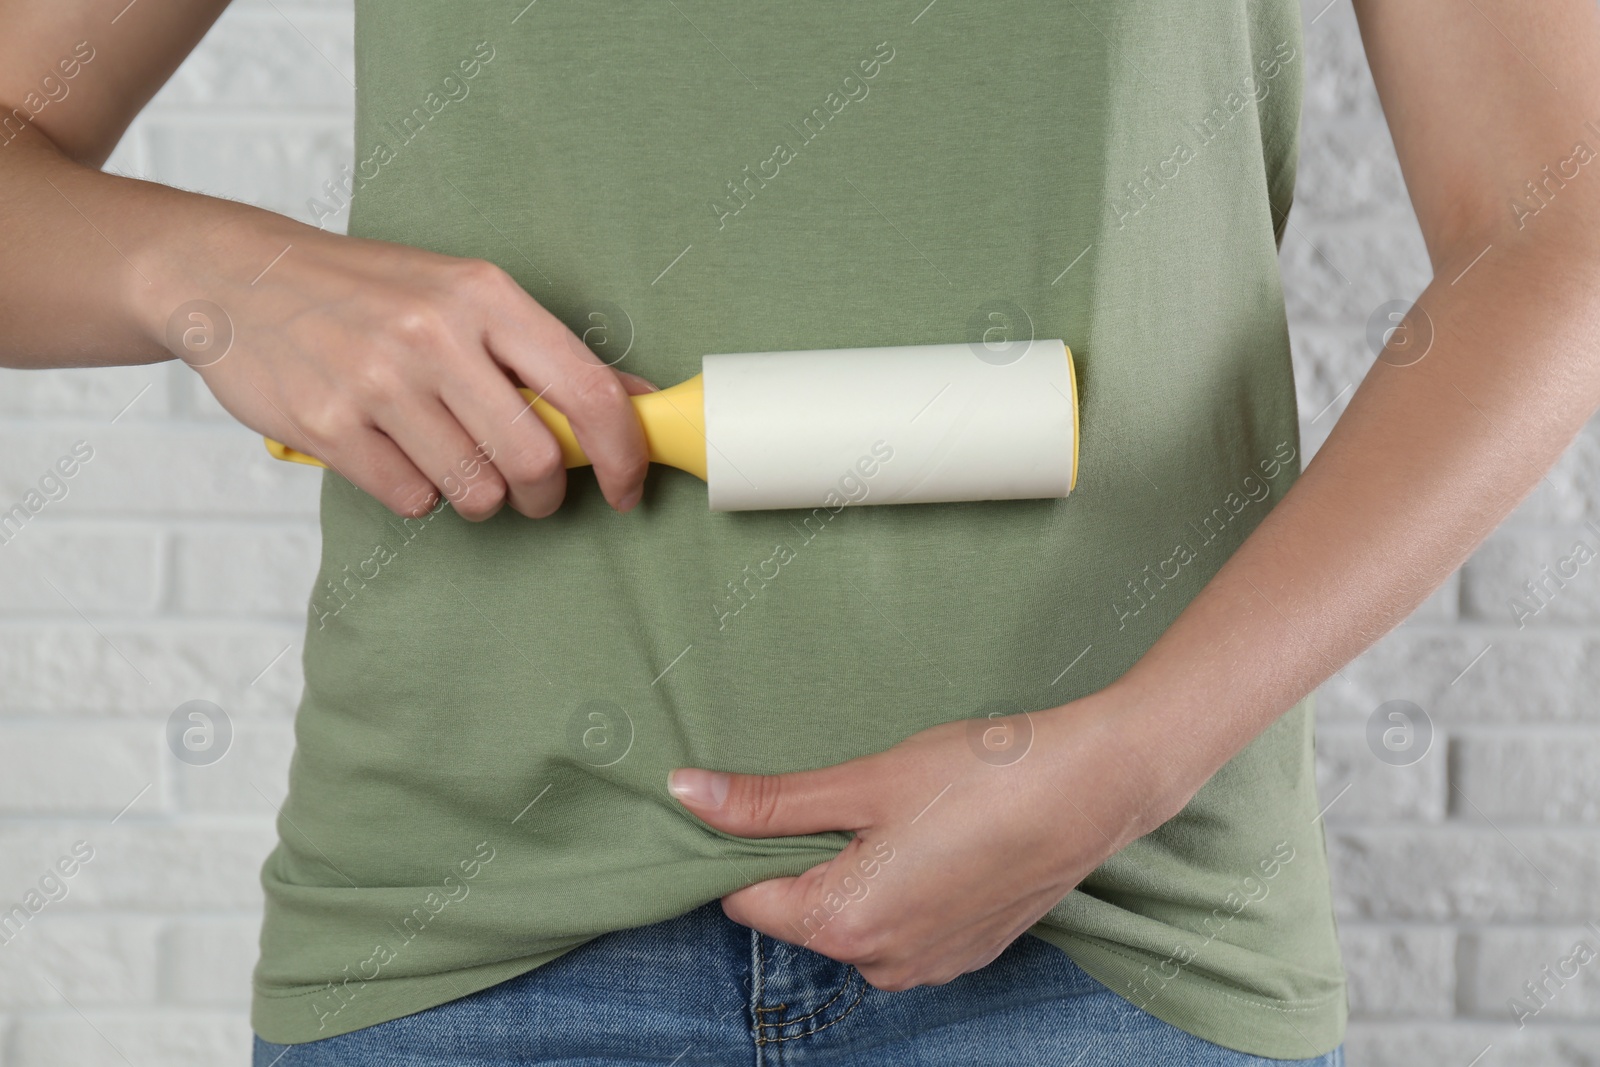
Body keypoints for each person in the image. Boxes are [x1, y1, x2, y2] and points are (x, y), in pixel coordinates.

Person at [4, 0, 1598, 1063]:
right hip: (465, 949)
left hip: (1123, 940)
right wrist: (206, 273)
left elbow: (1558, 225)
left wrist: (1128, 765)